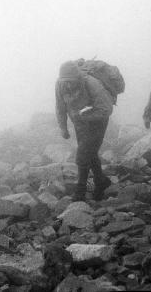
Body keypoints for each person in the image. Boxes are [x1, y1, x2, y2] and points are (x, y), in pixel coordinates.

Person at [56, 61, 113, 201]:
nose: (68, 85)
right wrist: (63, 127)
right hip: (79, 124)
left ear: (78, 77)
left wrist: (85, 116)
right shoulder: (60, 84)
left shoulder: (91, 83)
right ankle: (101, 182)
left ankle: (80, 192)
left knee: (82, 155)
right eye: (65, 82)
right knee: (90, 152)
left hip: (97, 122)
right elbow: (60, 106)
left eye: (71, 81)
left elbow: (106, 109)